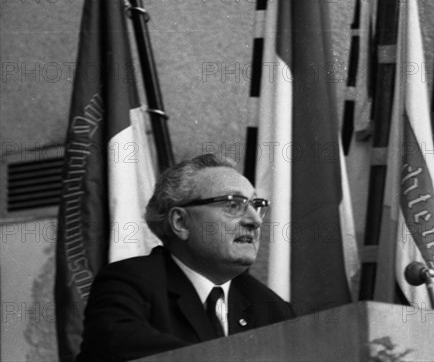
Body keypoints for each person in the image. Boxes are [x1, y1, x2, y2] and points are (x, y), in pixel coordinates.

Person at [77, 154, 295, 362]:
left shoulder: (272, 308)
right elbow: (116, 349)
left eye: (256, 205)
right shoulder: (128, 283)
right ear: (180, 222)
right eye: (233, 204)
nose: (255, 220)